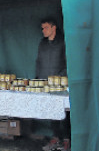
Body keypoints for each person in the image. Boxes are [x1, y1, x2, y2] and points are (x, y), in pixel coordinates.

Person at [36, 18, 69, 151]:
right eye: (42, 28)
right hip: (45, 83)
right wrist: (38, 78)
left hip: (61, 84)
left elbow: (68, 62)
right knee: (51, 112)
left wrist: (61, 77)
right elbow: (38, 62)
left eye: (45, 28)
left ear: (53, 28)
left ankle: (67, 141)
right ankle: (55, 138)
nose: (43, 31)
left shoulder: (63, 42)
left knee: (65, 113)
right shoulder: (42, 43)